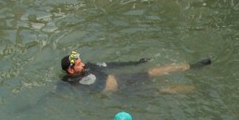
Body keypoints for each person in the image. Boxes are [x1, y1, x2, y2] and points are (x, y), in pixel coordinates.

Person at [59, 50, 211, 93]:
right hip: (122, 92)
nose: (83, 64)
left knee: (152, 71)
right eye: (79, 64)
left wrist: (136, 63)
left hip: (121, 78)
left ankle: (192, 66)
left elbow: (114, 65)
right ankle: (196, 89)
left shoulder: (90, 66)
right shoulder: (70, 82)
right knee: (159, 89)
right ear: (71, 70)